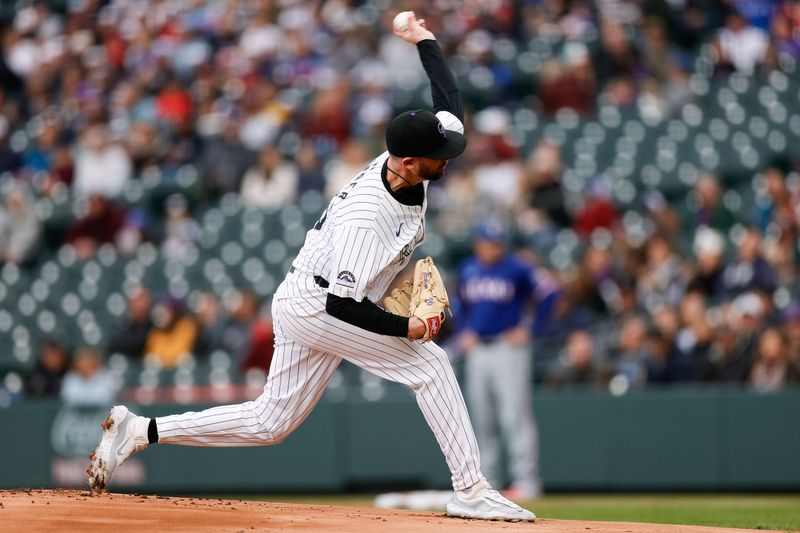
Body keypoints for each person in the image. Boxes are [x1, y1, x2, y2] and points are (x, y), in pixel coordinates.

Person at [87, 14, 534, 522]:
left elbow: (448, 104)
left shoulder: (409, 164)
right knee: (429, 365)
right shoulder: (370, 216)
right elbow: (341, 304)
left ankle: (140, 430)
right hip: (319, 305)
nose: (447, 160)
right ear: (408, 162)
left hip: (309, 292)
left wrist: (424, 40)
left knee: (269, 423)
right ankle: (470, 488)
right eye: (438, 156)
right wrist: (405, 326)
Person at [457, 218, 557, 500]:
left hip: (508, 348)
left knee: (515, 416)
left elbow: (550, 293)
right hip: (478, 350)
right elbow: (460, 305)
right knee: (482, 418)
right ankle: (486, 484)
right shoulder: (468, 269)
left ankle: (527, 481)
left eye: (497, 242)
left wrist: (530, 329)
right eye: (488, 242)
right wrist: (465, 330)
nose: (492, 247)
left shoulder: (517, 266)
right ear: (478, 243)